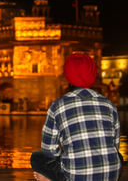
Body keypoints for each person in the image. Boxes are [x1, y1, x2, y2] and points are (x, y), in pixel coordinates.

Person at [30, 53, 123, 181]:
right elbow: (115, 144)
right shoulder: (109, 104)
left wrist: (66, 156)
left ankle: (48, 179)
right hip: (111, 174)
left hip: (76, 176)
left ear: (68, 76)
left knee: (37, 157)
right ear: (93, 74)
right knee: (118, 156)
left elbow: (49, 150)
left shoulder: (58, 105)